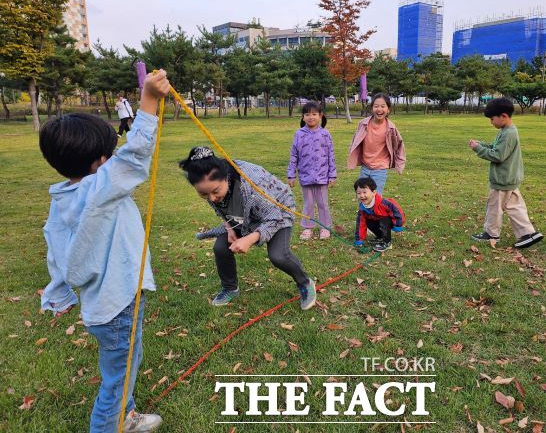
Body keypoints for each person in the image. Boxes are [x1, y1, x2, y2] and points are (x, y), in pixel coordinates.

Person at [39, 70, 170, 432]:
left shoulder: (62, 199)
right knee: (118, 378)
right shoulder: (100, 190)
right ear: (100, 161)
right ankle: (110, 424)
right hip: (118, 302)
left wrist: (58, 293)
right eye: (110, 154)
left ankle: (125, 417)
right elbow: (138, 151)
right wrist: (148, 98)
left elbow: (55, 248)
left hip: (101, 305)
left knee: (124, 364)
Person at [179, 147, 317, 310]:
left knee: (278, 255)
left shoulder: (251, 184)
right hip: (244, 216)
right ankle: (230, 288)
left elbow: (274, 217)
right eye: (204, 195)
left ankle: (305, 283)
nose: (212, 199)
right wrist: (229, 228)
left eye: (215, 191)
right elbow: (221, 209)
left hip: (277, 212)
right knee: (221, 248)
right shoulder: (211, 188)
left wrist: (250, 238)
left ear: (226, 177)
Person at [468, 97, 543, 249]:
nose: (491, 122)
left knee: (494, 208)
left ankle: (491, 233)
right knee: (515, 207)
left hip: (502, 180)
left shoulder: (508, 133)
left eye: (492, 119)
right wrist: (482, 144)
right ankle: (528, 233)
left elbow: (498, 155)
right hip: (510, 179)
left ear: (503, 116)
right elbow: (496, 148)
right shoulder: (507, 131)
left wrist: (478, 149)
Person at [287, 101, 336, 240]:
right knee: (308, 203)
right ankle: (308, 228)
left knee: (322, 203)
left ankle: (325, 227)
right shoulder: (299, 134)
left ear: (320, 116)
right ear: (303, 117)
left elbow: (331, 155)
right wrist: (291, 175)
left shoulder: (325, 134)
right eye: (307, 114)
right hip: (305, 176)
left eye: (314, 114)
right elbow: (293, 155)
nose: (311, 117)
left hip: (322, 177)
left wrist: (332, 175)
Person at [347, 93, 406, 194]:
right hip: (365, 167)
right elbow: (355, 142)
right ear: (372, 108)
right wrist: (352, 158)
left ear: (388, 109)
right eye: (376, 106)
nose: (379, 109)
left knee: (375, 197)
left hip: (380, 169)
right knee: (362, 195)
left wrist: (400, 165)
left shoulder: (391, 128)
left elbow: (399, 146)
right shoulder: (363, 124)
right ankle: (362, 210)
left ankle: (375, 210)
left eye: (383, 106)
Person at [353, 177, 405, 252]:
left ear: (373, 193)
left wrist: (398, 226)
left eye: (364, 192)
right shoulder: (362, 209)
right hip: (378, 222)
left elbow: (397, 212)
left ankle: (387, 242)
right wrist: (359, 240)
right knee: (367, 221)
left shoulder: (385, 203)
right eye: (358, 193)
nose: (361, 195)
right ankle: (381, 237)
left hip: (389, 222)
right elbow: (360, 224)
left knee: (384, 220)